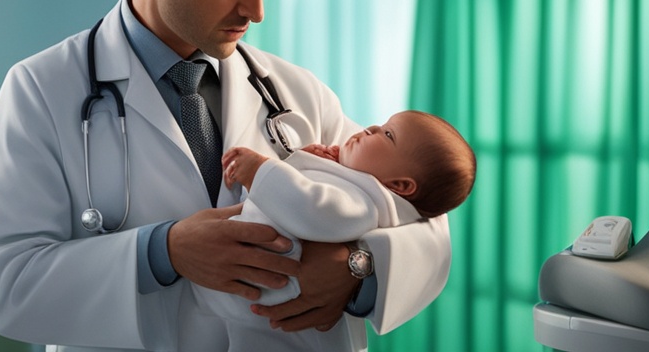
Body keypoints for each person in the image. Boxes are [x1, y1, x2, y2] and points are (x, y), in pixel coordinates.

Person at [0, 0, 452, 351]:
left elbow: (423, 202)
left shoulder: (296, 93)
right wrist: (163, 252)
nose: (257, 8)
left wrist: (359, 267)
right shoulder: (42, 90)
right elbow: (3, 281)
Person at [194, 110, 476, 351]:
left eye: (388, 134)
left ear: (400, 187)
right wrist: (303, 161)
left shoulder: (367, 201)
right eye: (382, 124)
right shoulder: (364, 182)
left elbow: (313, 208)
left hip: (276, 305)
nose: (371, 128)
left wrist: (261, 171)